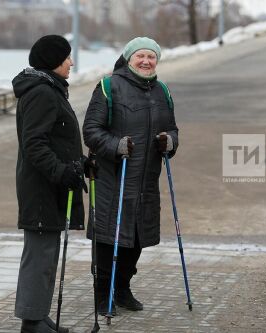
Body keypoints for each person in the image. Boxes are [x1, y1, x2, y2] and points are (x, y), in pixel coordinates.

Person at [83, 37, 179, 316]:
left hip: (146, 179)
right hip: (114, 177)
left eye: (152, 56)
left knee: (137, 238)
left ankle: (123, 288)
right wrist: (116, 146)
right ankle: (102, 295)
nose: (147, 61)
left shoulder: (162, 91)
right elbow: (91, 130)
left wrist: (169, 142)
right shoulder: (108, 87)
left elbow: (173, 129)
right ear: (129, 58)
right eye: (141, 56)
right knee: (108, 238)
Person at [12, 35, 90, 333]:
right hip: (41, 189)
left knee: (47, 254)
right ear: (53, 60)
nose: (71, 62)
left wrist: (80, 163)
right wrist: (61, 172)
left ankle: (39, 314)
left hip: (50, 186)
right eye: (67, 57)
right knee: (40, 256)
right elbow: (34, 144)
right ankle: (32, 322)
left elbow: (58, 141)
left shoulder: (50, 90)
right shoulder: (42, 93)